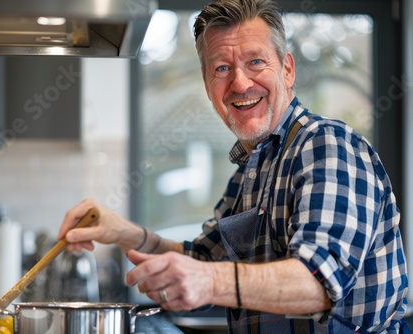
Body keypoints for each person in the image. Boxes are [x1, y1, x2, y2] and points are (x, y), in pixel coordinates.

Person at [57, 0, 409, 332]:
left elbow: (319, 281)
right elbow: (203, 261)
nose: (240, 84)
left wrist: (209, 282)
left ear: (287, 69)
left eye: (256, 62)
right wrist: (124, 234)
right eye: (222, 68)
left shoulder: (327, 145)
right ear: (208, 84)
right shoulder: (249, 170)